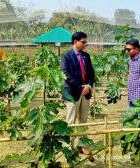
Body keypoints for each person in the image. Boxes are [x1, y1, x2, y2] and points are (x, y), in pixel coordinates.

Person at [61, 32, 95, 161]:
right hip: (73, 93)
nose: (85, 44)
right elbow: (66, 74)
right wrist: (80, 87)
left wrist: (88, 86)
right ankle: (69, 146)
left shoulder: (86, 56)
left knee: (83, 119)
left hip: (85, 92)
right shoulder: (66, 56)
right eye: (83, 42)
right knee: (70, 120)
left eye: (86, 42)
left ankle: (81, 144)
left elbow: (91, 73)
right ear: (75, 42)